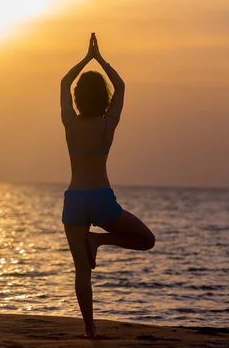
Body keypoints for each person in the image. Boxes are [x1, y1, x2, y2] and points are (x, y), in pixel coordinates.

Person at [60, 33, 155, 339]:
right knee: (146, 240)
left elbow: (63, 83)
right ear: (103, 98)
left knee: (81, 272)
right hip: (100, 197)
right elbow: (122, 86)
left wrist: (85, 59)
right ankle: (99, 241)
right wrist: (100, 59)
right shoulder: (107, 125)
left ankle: (90, 330)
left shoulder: (70, 124)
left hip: (74, 198)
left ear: (77, 98)